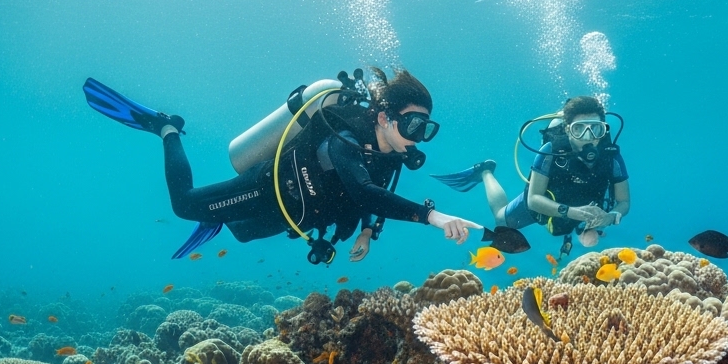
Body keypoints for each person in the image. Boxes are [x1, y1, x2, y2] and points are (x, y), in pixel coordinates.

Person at [83, 68, 480, 263]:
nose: (418, 136)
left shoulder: (389, 156)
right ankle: (167, 128)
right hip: (270, 187)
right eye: (413, 124)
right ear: (383, 117)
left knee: (241, 234)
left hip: (297, 215)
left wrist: (365, 232)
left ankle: (218, 215)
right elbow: (363, 191)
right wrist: (433, 216)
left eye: (426, 129)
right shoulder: (343, 136)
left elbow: (373, 195)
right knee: (185, 205)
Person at [432, 95, 630, 257]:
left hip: (585, 208)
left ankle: (579, 229)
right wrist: (570, 212)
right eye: (579, 129)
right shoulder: (550, 151)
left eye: (595, 129)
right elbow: (534, 199)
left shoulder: (611, 156)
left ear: (604, 129)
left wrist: (610, 217)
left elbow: (624, 202)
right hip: (549, 203)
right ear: (568, 130)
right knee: (501, 220)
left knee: (589, 239)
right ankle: (485, 172)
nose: (588, 137)